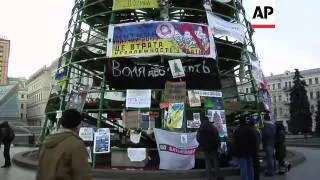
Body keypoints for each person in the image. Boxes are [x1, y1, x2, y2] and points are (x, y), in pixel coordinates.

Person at [36, 109, 92, 180]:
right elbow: (83, 174)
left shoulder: (47, 142)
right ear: (78, 125)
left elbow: (40, 172)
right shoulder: (76, 144)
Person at [232, 114, 259, 180]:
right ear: (246, 121)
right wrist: (255, 151)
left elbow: (235, 143)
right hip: (250, 152)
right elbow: (254, 141)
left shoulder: (237, 131)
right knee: (250, 167)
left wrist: (235, 153)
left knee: (243, 168)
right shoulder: (251, 130)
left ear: (239, 122)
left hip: (241, 153)